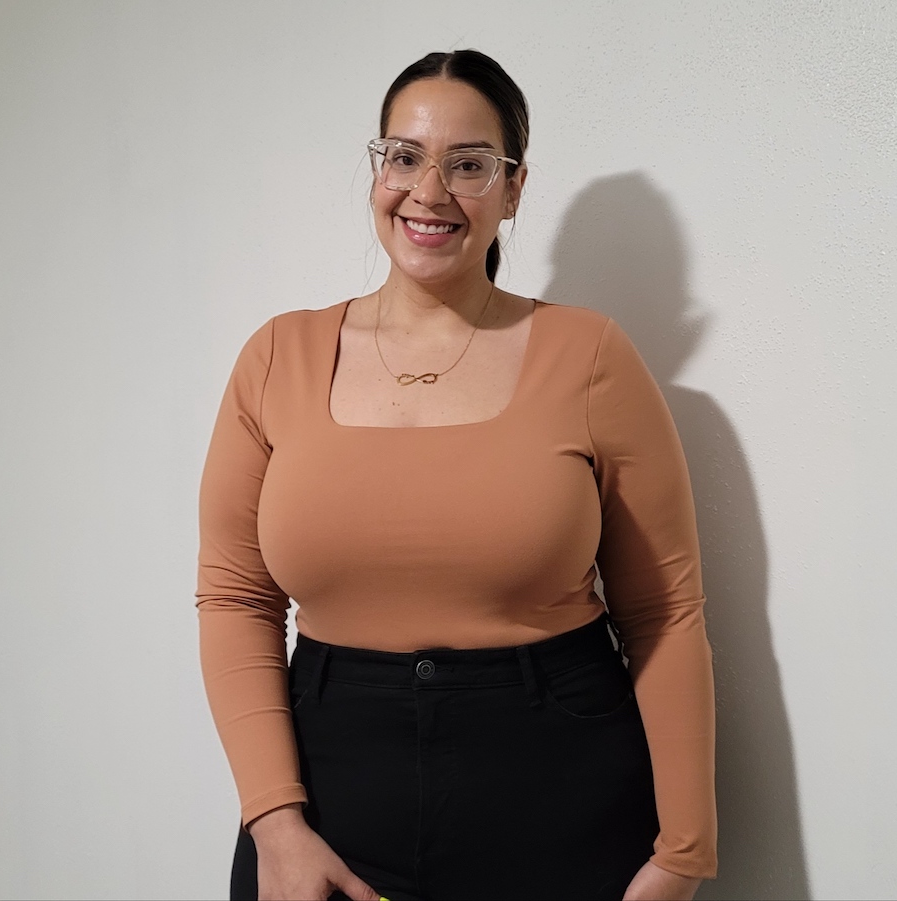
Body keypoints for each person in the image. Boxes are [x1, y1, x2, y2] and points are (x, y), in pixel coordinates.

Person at [196, 49, 717, 901]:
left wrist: (682, 855)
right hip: (328, 796)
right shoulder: (276, 357)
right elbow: (236, 599)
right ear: (378, 170)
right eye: (404, 156)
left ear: (512, 189)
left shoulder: (589, 357)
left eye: (468, 165)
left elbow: (665, 610)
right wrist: (275, 824)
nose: (428, 192)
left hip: (562, 795)